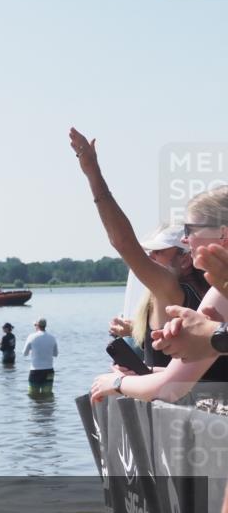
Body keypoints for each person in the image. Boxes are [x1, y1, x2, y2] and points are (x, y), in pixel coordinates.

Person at [70, 128, 208, 368]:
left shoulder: (170, 288)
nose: (150, 256)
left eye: (160, 251)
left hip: (174, 401)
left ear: (185, 260)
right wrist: (136, 330)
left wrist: (93, 173)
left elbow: (123, 243)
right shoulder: (208, 293)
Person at [91, 186, 228, 405]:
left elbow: (170, 389)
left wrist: (116, 383)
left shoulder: (218, 296)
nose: (185, 239)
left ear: (223, 233)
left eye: (190, 229)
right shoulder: (216, 293)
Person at [23, 318, 58, 396]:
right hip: (49, 370)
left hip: (35, 371)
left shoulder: (31, 337)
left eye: (35, 325)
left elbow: (24, 353)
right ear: (45, 326)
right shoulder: (52, 337)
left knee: (33, 395)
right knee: (47, 395)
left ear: (37, 326)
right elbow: (55, 354)